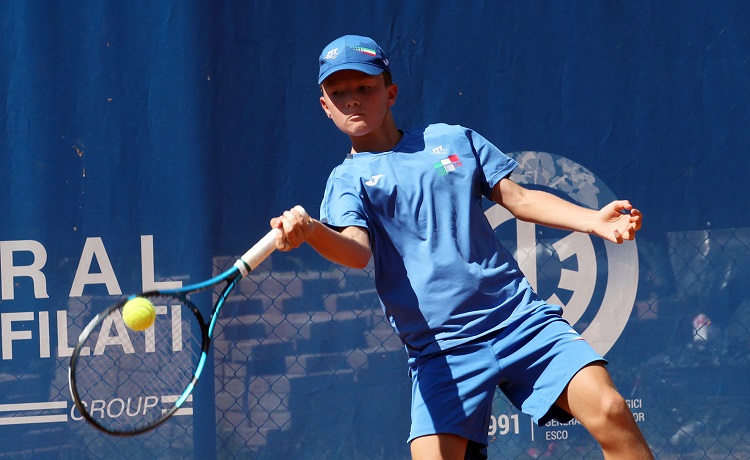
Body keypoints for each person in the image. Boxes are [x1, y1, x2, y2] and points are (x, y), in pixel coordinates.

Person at [270, 35, 652, 460]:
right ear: (325, 106)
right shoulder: (347, 180)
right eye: (338, 93)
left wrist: (592, 220)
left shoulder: (451, 140)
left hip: (518, 320)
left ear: (390, 92)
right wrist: (311, 232)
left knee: (611, 409)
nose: (353, 100)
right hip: (442, 348)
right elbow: (356, 251)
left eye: (365, 87)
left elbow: (520, 199)